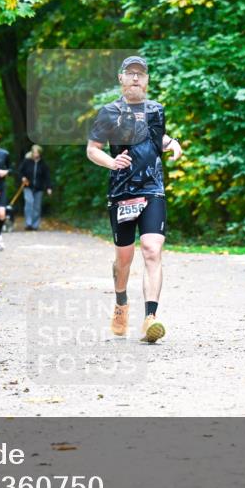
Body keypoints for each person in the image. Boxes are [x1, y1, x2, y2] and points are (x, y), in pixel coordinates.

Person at [86, 56, 182, 343]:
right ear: (121, 78)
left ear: (147, 79)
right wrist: (111, 162)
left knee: (152, 250)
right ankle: (120, 303)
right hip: (121, 193)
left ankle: (150, 318)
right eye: (130, 73)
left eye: (140, 74)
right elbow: (93, 149)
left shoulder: (156, 110)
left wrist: (171, 142)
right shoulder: (109, 112)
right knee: (123, 259)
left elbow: (156, 138)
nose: (136, 78)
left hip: (152, 188)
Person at [18, 144, 53, 231]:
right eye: (33, 152)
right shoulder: (26, 162)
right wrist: (22, 177)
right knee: (29, 202)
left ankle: (35, 225)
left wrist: (49, 187)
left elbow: (47, 177)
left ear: (40, 153)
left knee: (37, 206)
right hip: (28, 186)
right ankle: (28, 223)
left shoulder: (43, 164)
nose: (35, 154)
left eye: (36, 153)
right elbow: (20, 172)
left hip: (39, 188)